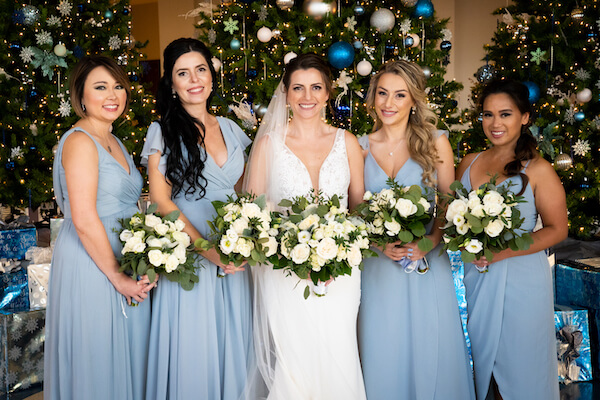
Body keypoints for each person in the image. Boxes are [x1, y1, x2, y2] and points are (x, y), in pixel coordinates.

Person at [243, 53, 366, 399]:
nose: (307, 96)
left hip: (341, 273)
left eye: (315, 87)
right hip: (285, 273)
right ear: (286, 92)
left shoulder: (349, 143)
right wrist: (292, 255)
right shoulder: (269, 144)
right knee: (295, 363)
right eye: (298, 88)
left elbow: (359, 211)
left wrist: (337, 251)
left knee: (338, 352)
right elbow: (253, 216)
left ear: (328, 93)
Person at [141, 38, 253, 400]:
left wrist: (245, 239)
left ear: (211, 74)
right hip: (191, 253)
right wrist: (207, 250)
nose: (194, 79)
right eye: (182, 73)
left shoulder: (233, 129)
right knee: (195, 347)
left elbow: (243, 192)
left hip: (234, 255)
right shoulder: (162, 132)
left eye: (200, 69)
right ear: (171, 84)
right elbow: (160, 200)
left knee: (235, 341)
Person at [357, 60, 475, 400]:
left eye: (399, 95)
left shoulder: (436, 142)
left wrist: (429, 241)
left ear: (413, 100)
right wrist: (380, 246)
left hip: (425, 261)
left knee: (429, 344)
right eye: (382, 93)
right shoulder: (359, 146)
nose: (388, 103)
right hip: (378, 265)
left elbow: (450, 204)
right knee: (382, 342)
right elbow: (353, 210)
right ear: (372, 97)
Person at [44, 55, 154, 400]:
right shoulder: (79, 140)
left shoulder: (114, 139)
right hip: (92, 260)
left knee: (128, 351)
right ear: (80, 95)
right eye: (101, 87)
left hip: (123, 253)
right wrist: (117, 276)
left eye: (118, 86)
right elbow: (84, 217)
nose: (113, 95)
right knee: (98, 355)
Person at [456, 79, 566, 400]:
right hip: (479, 276)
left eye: (505, 114)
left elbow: (557, 229)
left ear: (525, 117)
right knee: (486, 369)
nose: (495, 123)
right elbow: (452, 219)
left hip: (523, 280)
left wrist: (501, 252)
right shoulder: (469, 162)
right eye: (488, 115)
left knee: (522, 368)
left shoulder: (540, 169)